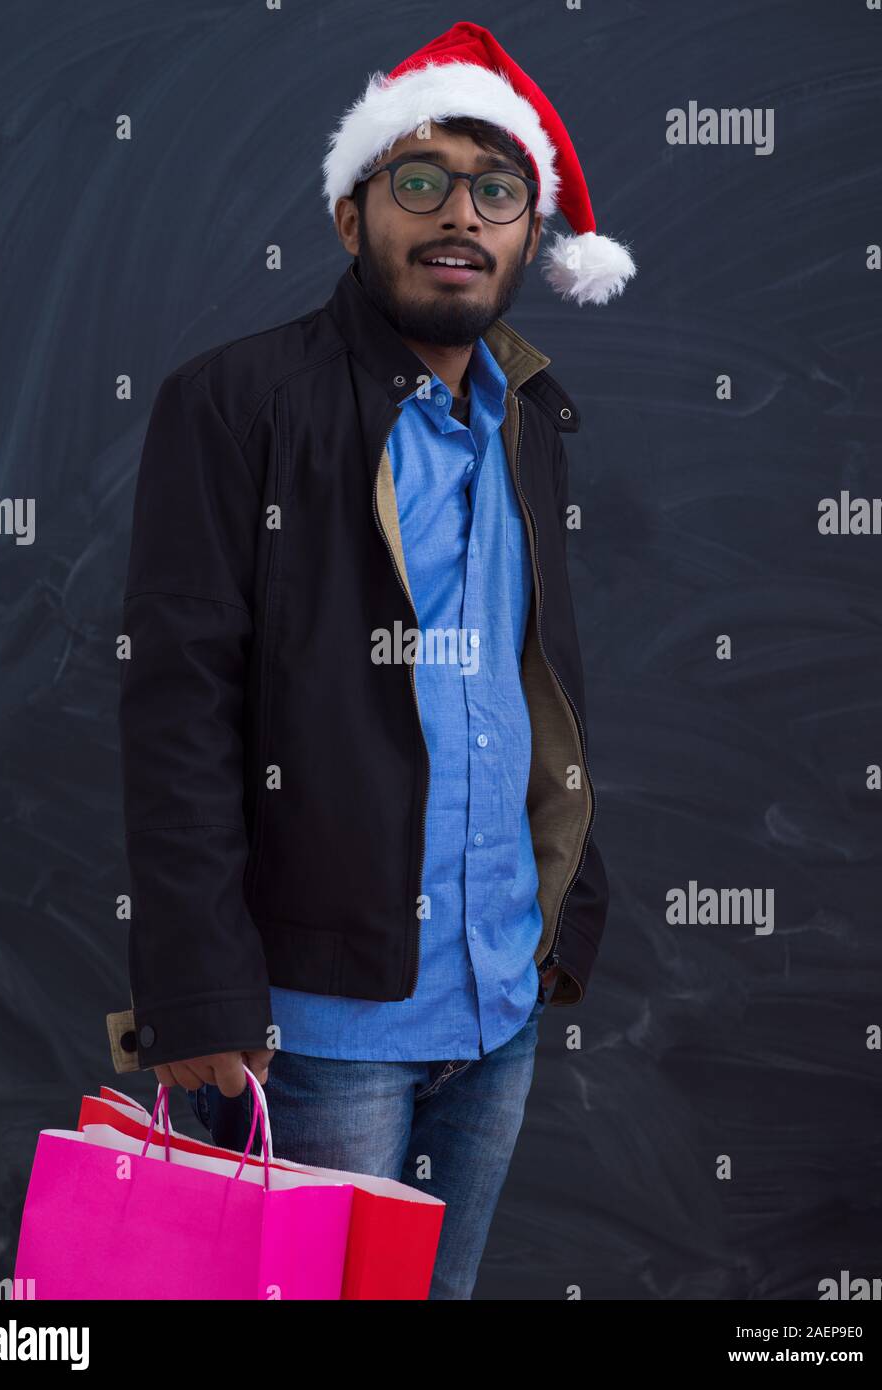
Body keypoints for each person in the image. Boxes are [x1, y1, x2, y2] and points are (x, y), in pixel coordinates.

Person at [106, 20, 636, 1299]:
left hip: (499, 996)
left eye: (496, 190)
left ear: (529, 234)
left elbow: (524, 677)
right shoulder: (234, 404)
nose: (460, 213)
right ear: (352, 217)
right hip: (316, 1026)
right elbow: (178, 708)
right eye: (420, 181)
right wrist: (195, 989)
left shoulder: (527, 414)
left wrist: (566, 906)